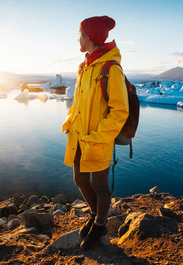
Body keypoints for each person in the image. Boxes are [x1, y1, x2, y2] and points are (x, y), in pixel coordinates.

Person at [62, 16, 129, 250]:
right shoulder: (84, 66)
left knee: (100, 186)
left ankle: (100, 225)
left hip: (98, 139)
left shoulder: (111, 69)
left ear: (89, 37)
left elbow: (120, 112)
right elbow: (78, 103)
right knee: (79, 179)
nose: (77, 39)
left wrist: (99, 136)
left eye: (79, 35)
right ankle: (94, 215)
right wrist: (69, 121)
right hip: (80, 136)